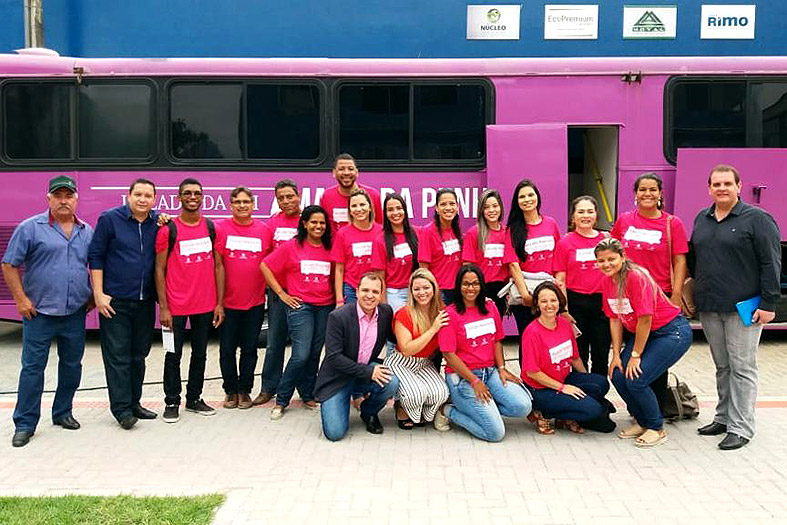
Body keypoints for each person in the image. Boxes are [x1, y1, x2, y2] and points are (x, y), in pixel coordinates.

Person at [691, 164, 781, 450]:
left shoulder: (757, 219)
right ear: (709, 189)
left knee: (742, 367)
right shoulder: (701, 218)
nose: (721, 188)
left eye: (727, 184)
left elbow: (771, 262)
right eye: (716, 184)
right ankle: (723, 417)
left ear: (739, 187)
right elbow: (696, 260)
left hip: (744, 306)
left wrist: (769, 303)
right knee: (722, 366)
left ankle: (741, 427)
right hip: (709, 305)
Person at [2, 175, 93, 447]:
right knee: (32, 369)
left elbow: (93, 265)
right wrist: (21, 299)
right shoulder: (30, 228)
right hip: (38, 313)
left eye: (68, 196)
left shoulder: (86, 231)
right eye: (58, 196)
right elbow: (9, 265)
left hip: (74, 313)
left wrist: (91, 295)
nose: (63, 200)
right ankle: (25, 423)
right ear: (49, 199)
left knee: (71, 366)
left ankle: (63, 412)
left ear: (76, 199)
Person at [594, 238, 692, 448]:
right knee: (618, 374)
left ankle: (656, 427)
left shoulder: (636, 277)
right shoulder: (607, 281)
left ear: (623, 257)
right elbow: (614, 319)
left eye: (611, 259)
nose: (606, 264)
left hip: (670, 332)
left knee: (636, 379)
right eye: (601, 261)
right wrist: (617, 356)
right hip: (644, 333)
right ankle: (643, 421)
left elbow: (645, 319)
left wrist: (636, 355)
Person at [611, 172, 689, 412]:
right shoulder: (624, 221)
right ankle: (642, 411)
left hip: (659, 298)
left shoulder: (671, 223)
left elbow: (679, 260)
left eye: (652, 189)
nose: (647, 194)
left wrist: (675, 295)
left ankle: (656, 412)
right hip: (629, 298)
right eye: (642, 189)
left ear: (660, 194)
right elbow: (612, 254)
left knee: (655, 362)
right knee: (634, 355)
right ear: (635, 194)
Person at [88, 178, 159, 430]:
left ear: (154, 199)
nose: (142, 199)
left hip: (145, 302)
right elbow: (95, 256)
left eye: (148, 195)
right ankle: (121, 410)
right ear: (128, 196)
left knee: (139, 355)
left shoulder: (158, 222)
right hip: (115, 302)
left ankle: (135, 402)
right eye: (138, 194)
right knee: (118, 357)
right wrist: (98, 293)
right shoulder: (110, 219)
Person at [435, 264, 532, 442]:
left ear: (481, 285)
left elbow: (497, 340)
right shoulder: (450, 314)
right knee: (495, 433)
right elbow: (449, 355)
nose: (470, 288)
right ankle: (448, 410)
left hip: (490, 372)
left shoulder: (490, 307)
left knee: (523, 406)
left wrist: (502, 367)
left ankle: (484, 409)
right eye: (465, 284)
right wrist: (474, 381)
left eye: (475, 283)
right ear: (458, 286)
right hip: (464, 378)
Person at [155, 177, 225, 423]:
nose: (192, 197)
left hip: (205, 305)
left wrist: (219, 303)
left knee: (200, 353)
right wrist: (163, 307)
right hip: (175, 306)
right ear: (179, 198)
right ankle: (172, 401)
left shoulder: (211, 228)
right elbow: (159, 271)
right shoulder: (168, 230)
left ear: (202, 197)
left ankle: (194, 398)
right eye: (187, 193)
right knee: (172, 354)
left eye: (196, 193)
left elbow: (218, 265)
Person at [261, 205, 334, 420]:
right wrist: (282, 294)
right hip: (301, 307)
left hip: (325, 306)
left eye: (322, 222)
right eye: (314, 222)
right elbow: (265, 265)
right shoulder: (292, 246)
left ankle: (308, 394)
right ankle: (282, 399)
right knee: (300, 355)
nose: (318, 226)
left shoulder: (330, 247)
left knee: (314, 353)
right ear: (304, 224)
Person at [520, 282, 615, 435]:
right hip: (540, 389)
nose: (549, 305)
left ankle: (567, 411)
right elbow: (532, 373)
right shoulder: (532, 332)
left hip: (563, 378)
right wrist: (563, 389)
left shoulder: (564, 324)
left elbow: (575, 358)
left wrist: (586, 380)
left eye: (553, 300)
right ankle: (543, 412)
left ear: (560, 302)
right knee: (593, 409)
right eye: (544, 301)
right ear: (537, 304)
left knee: (601, 383)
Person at [314, 272, 399, 441]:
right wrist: (369, 372)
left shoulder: (385, 312)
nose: (369, 295)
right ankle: (345, 398)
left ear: (381, 294)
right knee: (335, 433)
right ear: (357, 290)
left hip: (364, 370)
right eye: (365, 290)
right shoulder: (338, 317)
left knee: (392, 381)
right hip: (338, 376)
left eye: (375, 292)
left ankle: (368, 412)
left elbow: (395, 339)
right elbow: (334, 357)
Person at [215, 186, 271, 410]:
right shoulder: (220, 229)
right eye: (237, 202)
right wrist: (218, 302)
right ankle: (230, 390)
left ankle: (244, 390)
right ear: (231, 205)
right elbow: (217, 265)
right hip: (227, 304)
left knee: (249, 349)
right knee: (226, 349)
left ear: (253, 205)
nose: (242, 205)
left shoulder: (264, 230)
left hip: (255, 303)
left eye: (246, 202)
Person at [255, 179, 302, 406]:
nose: (286, 201)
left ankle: (305, 390)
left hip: (304, 294)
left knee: (304, 346)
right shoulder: (271, 224)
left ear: (298, 196)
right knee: (275, 342)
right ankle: (268, 388)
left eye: (289, 196)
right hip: (279, 294)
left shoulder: (309, 221)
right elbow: (265, 261)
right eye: (281, 197)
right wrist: (277, 291)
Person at [386, 268, 450, 430]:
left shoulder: (441, 311)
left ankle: (416, 407)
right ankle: (401, 406)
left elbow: (462, 314)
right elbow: (407, 349)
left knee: (441, 393)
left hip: (424, 362)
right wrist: (433, 329)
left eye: (426, 288)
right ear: (411, 291)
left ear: (434, 288)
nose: (422, 292)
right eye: (416, 289)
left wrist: (483, 302)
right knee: (417, 394)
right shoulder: (404, 313)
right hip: (401, 361)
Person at [553, 196, 610, 375]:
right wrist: (564, 310)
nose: (586, 216)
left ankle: (600, 393)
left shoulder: (606, 241)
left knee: (601, 353)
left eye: (590, 211)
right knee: (579, 353)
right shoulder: (564, 243)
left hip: (602, 305)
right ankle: (584, 395)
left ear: (596, 215)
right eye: (581, 212)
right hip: (576, 304)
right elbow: (560, 279)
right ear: (573, 217)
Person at [507, 179, 561, 337]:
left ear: (537, 197)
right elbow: (513, 265)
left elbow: (558, 258)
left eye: (531, 195)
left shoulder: (551, 224)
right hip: (527, 294)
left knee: (549, 337)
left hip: (549, 293)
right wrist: (525, 296)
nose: (527, 199)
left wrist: (558, 288)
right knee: (528, 339)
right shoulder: (513, 230)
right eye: (522, 197)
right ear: (517, 202)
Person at [462, 189, 517, 318]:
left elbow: (512, 264)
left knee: (496, 328)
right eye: (486, 207)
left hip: (501, 290)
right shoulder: (473, 233)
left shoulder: (508, 232)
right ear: (481, 210)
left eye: (495, 206)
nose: (491, 210)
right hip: (480, 289)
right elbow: (467, 266)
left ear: (501, 208)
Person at [371, 192, 419, 315]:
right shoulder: (380, 240)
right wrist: (384, 305)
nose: (395, 213)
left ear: (405, 210)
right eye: (390, 210)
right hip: (394, 294)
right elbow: (380, 277)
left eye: (399, 208)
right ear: (385, 214)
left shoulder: (417, 233)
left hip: (416, 291)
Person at [332, 189, 382, 306]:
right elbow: (339, 269)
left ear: (370, 207)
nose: (359, 209)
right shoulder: (342, 234)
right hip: (351, 289)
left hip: (376, 289)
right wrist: (339, 300)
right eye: (354, 206)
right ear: (349, 210)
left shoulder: (381, 231)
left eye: (362, 204)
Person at [418, 188, 464, 305]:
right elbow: (423, 269)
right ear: (437, 208)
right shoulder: (427, 232)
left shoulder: (457, 230)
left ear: (457, 207)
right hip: (439, 293)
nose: (448, 208)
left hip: (459, 291)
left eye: (452, 204)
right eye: (443, 204)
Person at [319, 153, 383, 233]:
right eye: (341, 169)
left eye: (350, 169)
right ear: (334, 173)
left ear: (357, 172)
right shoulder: (327, 196)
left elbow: (380, 226)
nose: (346, 173)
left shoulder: (373, 195)